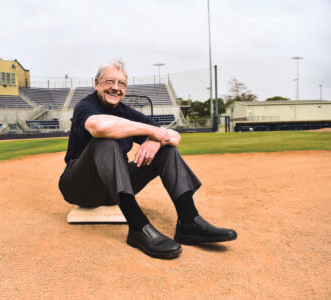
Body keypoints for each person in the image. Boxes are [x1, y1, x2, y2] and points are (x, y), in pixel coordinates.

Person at [59, 59, 237, 259]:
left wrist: (157, 141)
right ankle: (138, 228)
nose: (116, 88)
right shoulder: (86, 106)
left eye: (121, 84)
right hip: (81, 187)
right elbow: (100, 128)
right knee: (105, 142)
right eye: (110, 82)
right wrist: (154, 131)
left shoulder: (127, 113)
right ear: (97, 83)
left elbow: (175, 138)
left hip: (113, 190)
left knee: (166, 149)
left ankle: (189, 222)